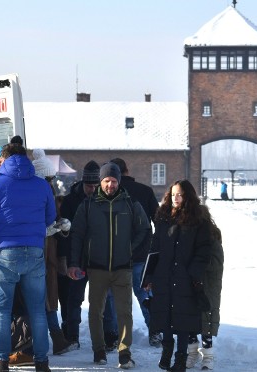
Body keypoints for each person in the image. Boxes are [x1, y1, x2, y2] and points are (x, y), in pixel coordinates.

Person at [0, 143, 56, 372]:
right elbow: (50, 217)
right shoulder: (41, 185)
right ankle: (41, 362)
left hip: (5, 255)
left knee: (2, 311)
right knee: (37, 310)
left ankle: (1, 361)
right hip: (35, 253)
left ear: (4, 160)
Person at [67, 162, 150, 369]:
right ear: (100, 182)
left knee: (124, 312)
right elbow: (76, 235)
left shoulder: (130, 203)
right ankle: (99, 350)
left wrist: (131, 249)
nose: (110, 185)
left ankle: (124, 353)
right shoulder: (88, 205)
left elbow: (145, 229)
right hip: (97, 268)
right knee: (96, 311)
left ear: (119, 181)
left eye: (113, 181)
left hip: (123, 268)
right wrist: (74, 263)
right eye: (106, 181)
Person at [144, 179, 214, 372]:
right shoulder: (163, 217)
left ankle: (180, 360)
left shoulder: (198, 221)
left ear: (188, 196)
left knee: (183, 320)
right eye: (173, 194)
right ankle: (166, 353)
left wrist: (193, 273)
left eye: (180, 194)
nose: (176, 197)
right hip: (164, 276)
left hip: (186, 278)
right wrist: (149, 275)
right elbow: (155, 248)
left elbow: (204, 250)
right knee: (165, 315)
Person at [58, 160, 118, 351]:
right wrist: (68, 260)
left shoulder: (105, 200)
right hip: (78, 258)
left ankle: (110, 336)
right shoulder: (70, 201)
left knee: (105, 299)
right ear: (83, 183)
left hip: (99, 258)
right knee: (74, 298)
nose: (92, 189)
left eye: (94, 185)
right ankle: (71, 335)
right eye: (89, 186)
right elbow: (65, 235)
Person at [109, 158, 161, 347]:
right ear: (127, 169)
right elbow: (159, 221)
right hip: (142, 254)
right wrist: (154, 247)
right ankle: (155, 331)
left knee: (114, 296)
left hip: (115, 255)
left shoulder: (110, 193)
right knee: (145, 294)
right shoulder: (145, 191)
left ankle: (114, 333)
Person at [31, 149, 74, 356]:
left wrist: (61, 227)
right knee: (42, 300)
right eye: (48, 177)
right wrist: (54, 229)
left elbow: (52, 222)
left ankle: (56, 340)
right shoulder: (38, 193)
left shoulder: (48, 192)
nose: (51, 181)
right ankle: (53, 340)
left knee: (47, 299)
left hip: (49, 255)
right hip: (38, 253)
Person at [186, 227, 224, 370]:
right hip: (191, 284)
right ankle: (192, 353)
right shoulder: (188, 237)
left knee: (206, 322)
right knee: (189, 320)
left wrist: (198, 262)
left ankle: (207, 356)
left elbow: (216, 265)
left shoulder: (212, 239)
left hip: (208, 287)